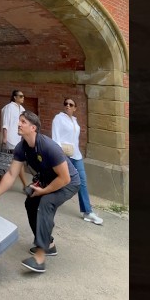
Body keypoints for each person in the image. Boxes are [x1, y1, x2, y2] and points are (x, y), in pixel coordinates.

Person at [0, 111, 79, 274]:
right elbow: (11, 174)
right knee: (30, 202)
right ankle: (47, 244)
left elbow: (64, 178)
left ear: (33, 127)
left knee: (46, 203)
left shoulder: (49, 147)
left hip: (68, 182)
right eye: (19, 121)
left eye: (23, 122)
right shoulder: (22, 147)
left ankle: (40, 258)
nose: (19, 124)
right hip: (49, 180)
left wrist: (44, 191)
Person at [52, 97, 103, 226]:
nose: (68, 106)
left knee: (82, 181)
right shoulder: (59, 118)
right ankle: (45, 200)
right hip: (64, 154)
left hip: (76, 155)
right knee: (60, 179)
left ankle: (87, 212)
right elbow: (55, 137)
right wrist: (59, 154)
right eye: (66, 104)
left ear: (75, 108)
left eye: (71, 104)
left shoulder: (74, 121)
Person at [0, 89, 28, 190]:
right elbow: (5, 123)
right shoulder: (9, 107)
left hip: (18, 139)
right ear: (15, 97)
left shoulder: (22, 109)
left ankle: (1, 180)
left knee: (9, 161)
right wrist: (5, 137)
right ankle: (25, 185)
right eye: (20, 96)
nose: (22, 98)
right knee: (17, 161)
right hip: (10, 138)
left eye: (23, 96)